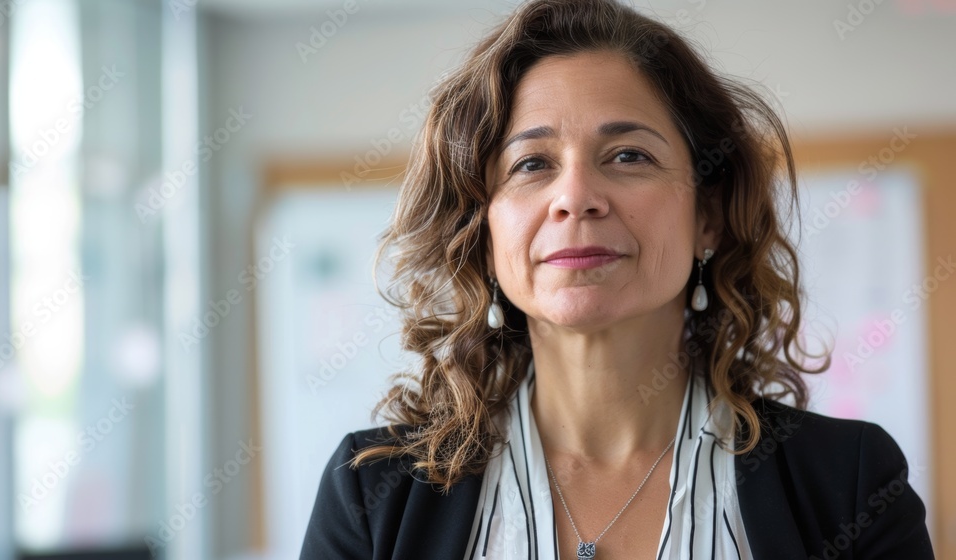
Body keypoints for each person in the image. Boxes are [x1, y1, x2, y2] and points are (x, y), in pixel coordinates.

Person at [300, 0, 935, 558]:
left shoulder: (850, 485)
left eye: (629, 155)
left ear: (707, 217)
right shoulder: (372, 495)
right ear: (484, 235)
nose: (575, 196)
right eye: (531, 163)